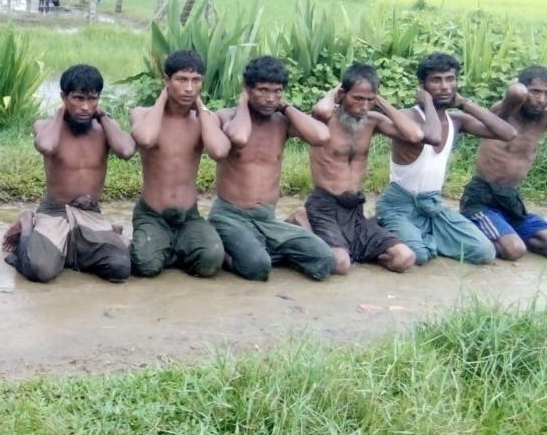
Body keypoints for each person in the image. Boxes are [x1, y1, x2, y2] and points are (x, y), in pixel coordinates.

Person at [374, 52, 516, 265]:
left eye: (450, 79)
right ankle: (381, 228)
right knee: (418, 256)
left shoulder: (457, 120)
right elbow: (431, 136)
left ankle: (420, 237)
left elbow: (507, 133)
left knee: (484, 252)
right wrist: (428, 104)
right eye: (436, 80)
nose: (445, 87)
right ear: (422, 85)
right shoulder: (407, 117)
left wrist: (464, 104)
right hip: (399, 204)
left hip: (432, 205)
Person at [208, 55, 337, 281]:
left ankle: (262, 248)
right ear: (247, 89)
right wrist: (242, 104)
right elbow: (239, 136)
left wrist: (285, 106)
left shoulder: (282, 121)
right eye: (263, 90)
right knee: (258, 267)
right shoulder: (225, 117)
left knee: (324, 259)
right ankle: (227, 250)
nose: (270, 98)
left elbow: (321, 136)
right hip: (230, 216)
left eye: (277, 91)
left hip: (267, 218)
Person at [4, 64, 135, 283]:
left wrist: (102, 117)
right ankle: (28, 225)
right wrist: (59, 114)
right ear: (64, 97)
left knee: (120, 268)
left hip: (90, 213)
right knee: (40, 270)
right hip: (54, 212)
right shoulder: (46, 125)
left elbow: (127, 150)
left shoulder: (105, 128)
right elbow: (46, 146)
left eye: (92, 99)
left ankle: (79, 245)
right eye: (78, 98)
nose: (85, 107)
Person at [460, 65, 547, 261]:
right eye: (535, 92)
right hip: (482, 198)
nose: (541, 99)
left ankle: (504, 232)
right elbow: (515, 93)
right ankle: (469, 227)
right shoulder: (502, 112)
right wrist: (523, 88)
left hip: (511, 200)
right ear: (524, 90)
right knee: (513, 250)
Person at [302, 64, 424, 274]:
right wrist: (335, 90)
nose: (364, 106)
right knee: (340, 265)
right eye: (357, 98)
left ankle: (355, 249)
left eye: (370, 100)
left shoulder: (372, 122)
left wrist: (380, 102)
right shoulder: (325, 119)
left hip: (355, 210)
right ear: (342, 94)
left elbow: (414, 135)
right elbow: (320, 109)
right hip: (325, 207)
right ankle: (302, 219)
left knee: (405, 258)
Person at [128, 50, 230, 278]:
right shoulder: (143, 114)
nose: (189, 88)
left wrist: (201, 108)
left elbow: (219, 151)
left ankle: (173, 249)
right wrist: (162, 99)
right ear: (166, 81)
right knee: (145, 266)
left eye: (196, 81)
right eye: (181, 80)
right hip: (152, 214)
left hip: (189, 217)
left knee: (211, 260)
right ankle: (161, 249)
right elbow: (145, 139)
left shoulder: (205, 120)